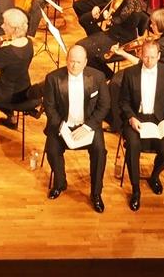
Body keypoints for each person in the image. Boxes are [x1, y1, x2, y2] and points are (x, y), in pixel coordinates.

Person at [43, 44, 109, 214]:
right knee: (51, 149)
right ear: (67, 60)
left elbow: (104, 106)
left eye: (78, 62)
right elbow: (49, 107)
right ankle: (60, 183)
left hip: (88, 125)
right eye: (71, 61)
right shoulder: (53, 78)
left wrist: (87, 127)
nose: (74, 66)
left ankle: (96, 194)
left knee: (100, 151)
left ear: (85, 62)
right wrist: (61, 127)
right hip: (63, 124)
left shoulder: (98, 77)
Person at [118, 39, 164, 211]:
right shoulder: (130, 73)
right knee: (133, 146)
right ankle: (136, 189)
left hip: (159, 120)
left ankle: (154, 176)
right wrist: (131, 118)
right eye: (146, 57)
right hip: (137, 119)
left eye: (153, 57)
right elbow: (123, 101)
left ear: (159, 56)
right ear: (140, 54)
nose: (149, 61)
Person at [106, 7, 164, 131]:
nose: (151, 27)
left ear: (162, 25)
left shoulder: (163, 45)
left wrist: (122, 53)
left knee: (115, 83)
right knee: (119, 78)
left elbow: (143, 62)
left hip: (160, 78)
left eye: (154, 24)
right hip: (161, 70)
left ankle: (117, 123)